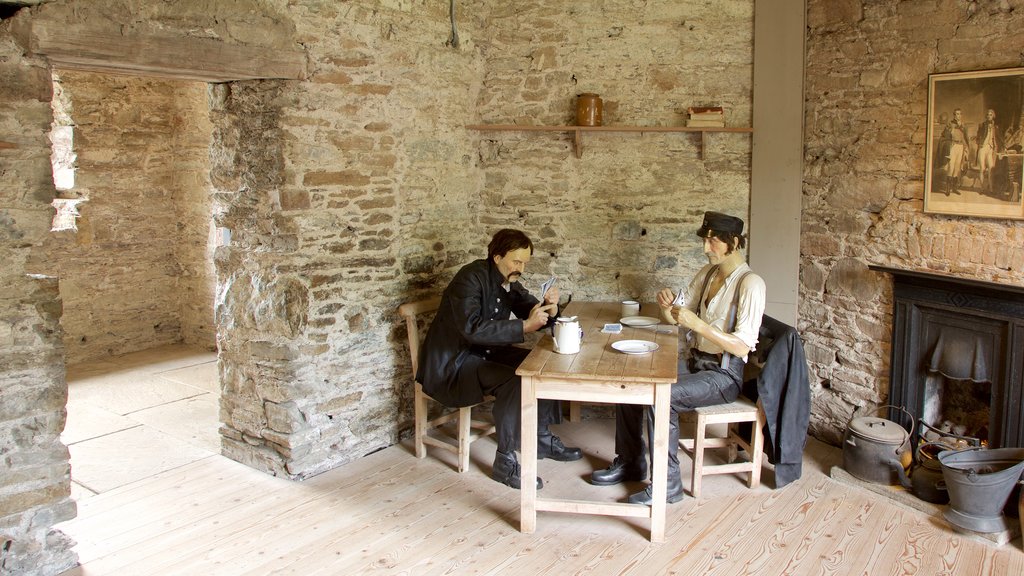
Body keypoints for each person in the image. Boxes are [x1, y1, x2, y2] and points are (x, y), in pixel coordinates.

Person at [590, 211, 766, 505]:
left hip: (724, 374)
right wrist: (667, 307)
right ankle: (631, 461)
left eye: (712, 242)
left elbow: (742, 348)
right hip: (697, 363)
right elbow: (675, 319)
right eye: (705, 241)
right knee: (632, 381)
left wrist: (697, 324)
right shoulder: (707, 274)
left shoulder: (751, 284)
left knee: (664, 396)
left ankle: (667, 484)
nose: (705, 248)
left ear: (733, 242)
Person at [417, 229, 582, 490]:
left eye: (525, 263)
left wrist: (549, 307)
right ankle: (505, 463)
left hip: (483, 352)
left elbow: (530, 311)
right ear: (496, 256)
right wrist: (524, 327)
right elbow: (471, 329)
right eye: (516, 261)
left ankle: (540, 438)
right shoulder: (469, 279)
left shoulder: (508, 280)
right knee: (514, 381)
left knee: (541, 366)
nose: (521, 268)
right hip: (454, 362)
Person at [939, 108, 969, 195]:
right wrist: (951, 131)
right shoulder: (950, 124)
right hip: (953, 146)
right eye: (956, 114)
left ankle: (954, 188)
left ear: (961, 115)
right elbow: (944, 135)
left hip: (961, 147)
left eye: (959, 114)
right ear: (954, 115)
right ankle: (947, 189)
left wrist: (966, 148)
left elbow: (965, 138)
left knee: (957, 168)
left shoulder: (963, 125)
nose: (958, 116)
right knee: (951, 167)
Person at [976, 108, 1003, 194]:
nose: (988, 116)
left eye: (990, 115)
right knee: (982, 169)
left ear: (993, 116)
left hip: (991, 149)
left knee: (991, 168)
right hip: (982, 148)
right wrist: (979, 142)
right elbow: (978, 136)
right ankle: (982, 188)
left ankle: (991, 188)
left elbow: (1000, 138)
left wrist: (1005, 146)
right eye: (987, 115)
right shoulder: (982, 125)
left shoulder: (996, 126)